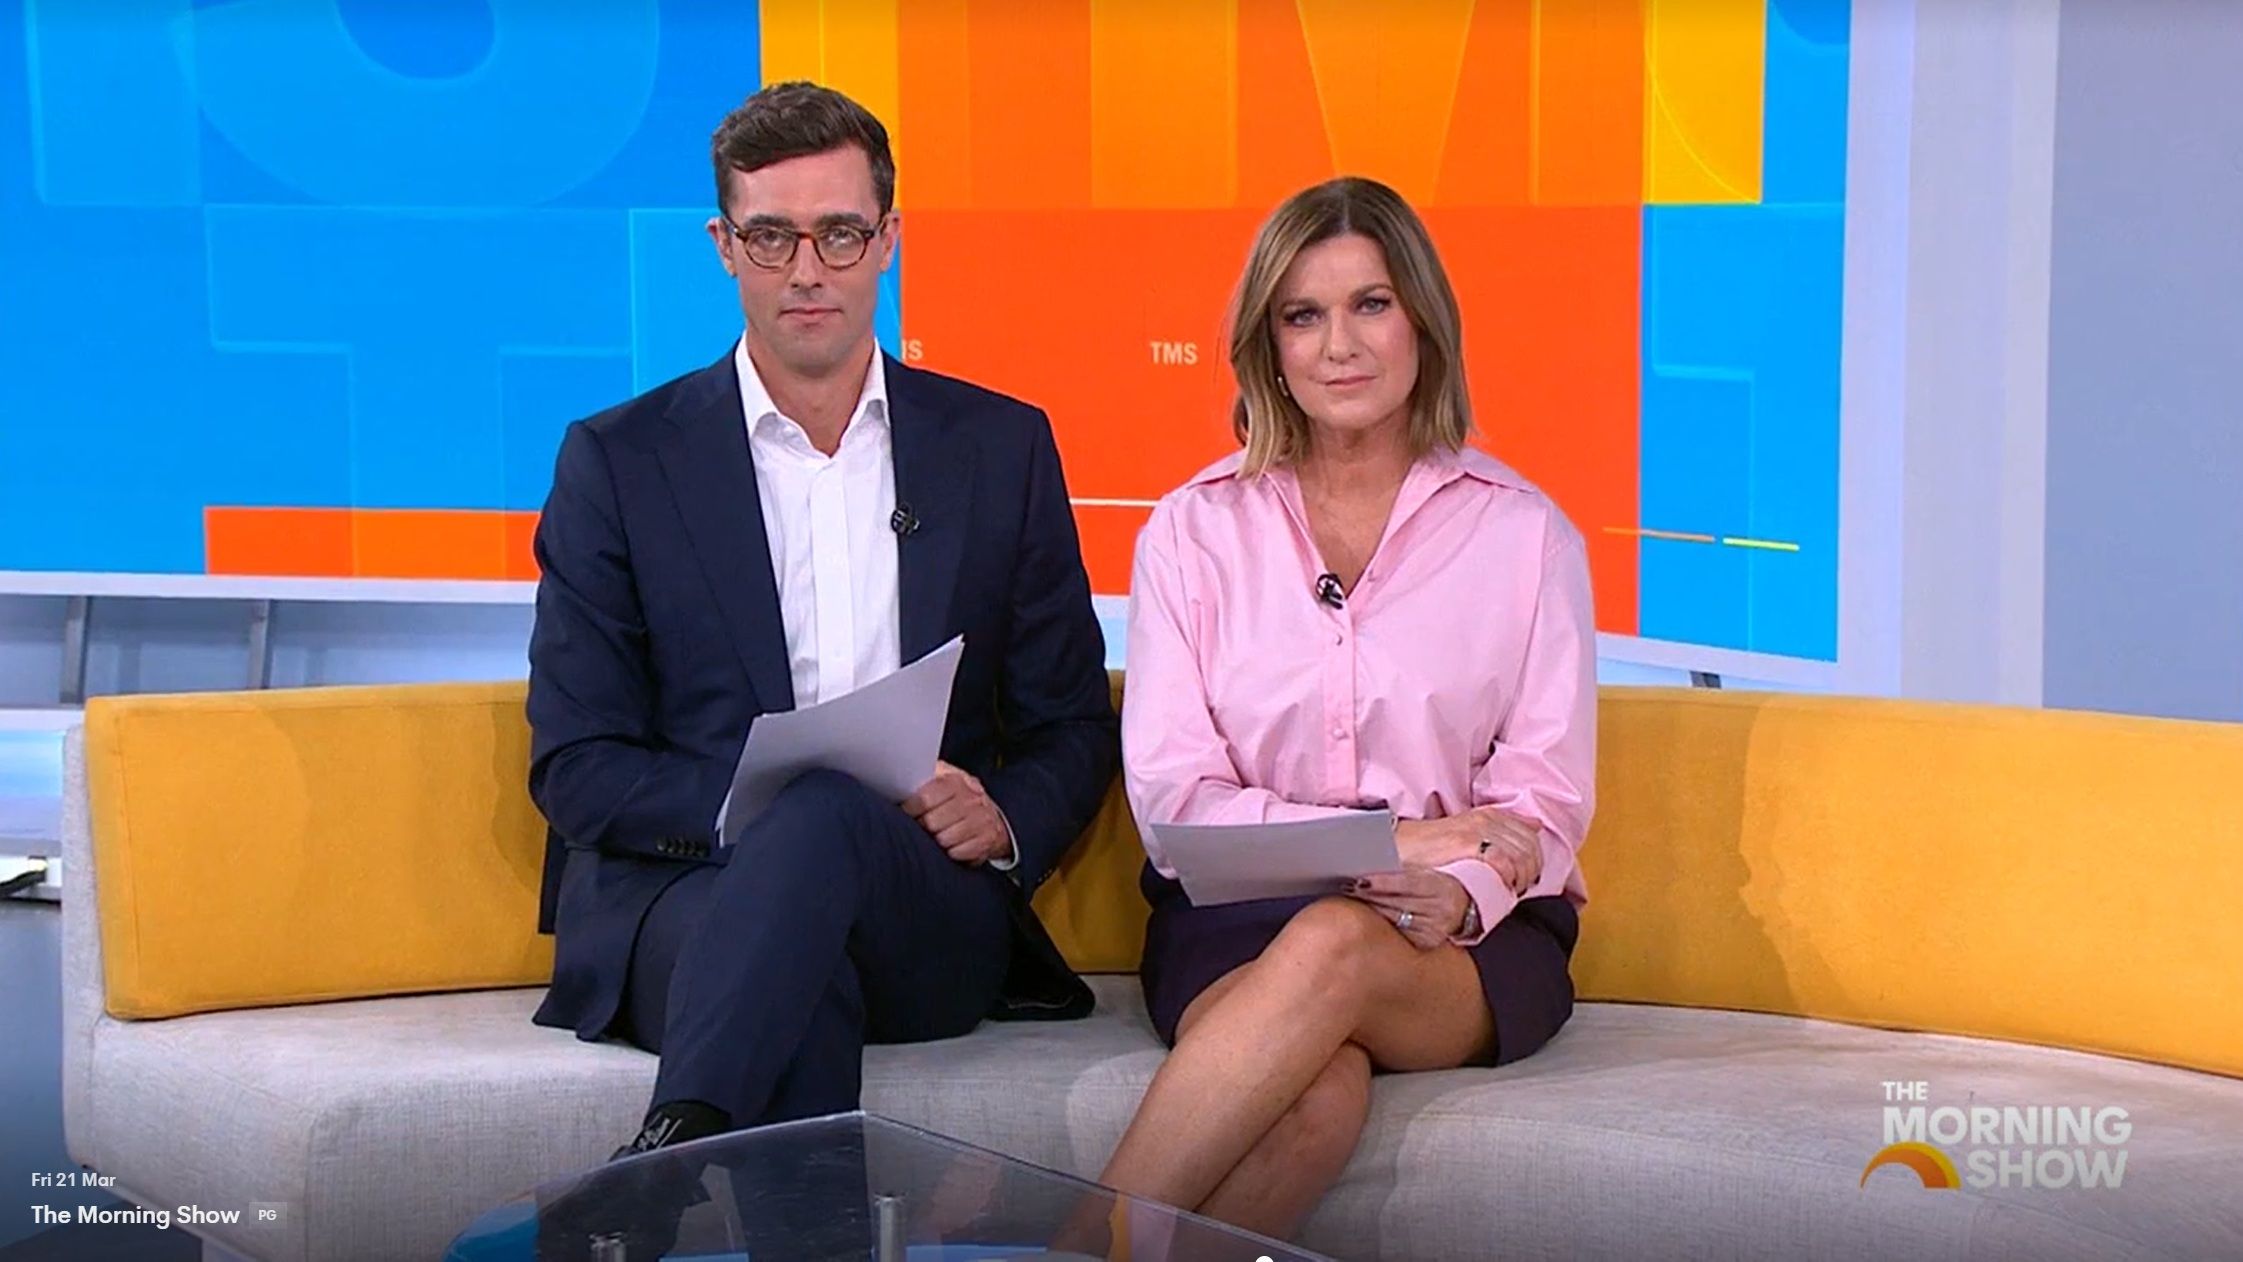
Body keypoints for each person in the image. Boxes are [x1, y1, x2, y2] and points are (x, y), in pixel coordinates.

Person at [525, 81, 1119, 1158]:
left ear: (887, 240)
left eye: (839, 233)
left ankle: (659, 1165)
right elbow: (576, 762)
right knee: (803, 947)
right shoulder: (619, 461)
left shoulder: (998, 448)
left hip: (921, 901)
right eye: (771, 237)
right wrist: (754, 807)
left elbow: (1071, 725)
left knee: (827, 823)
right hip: (689, 895)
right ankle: (725, 1178)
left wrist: (1002, 817)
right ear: (723, 246)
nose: (807, 270)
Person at [1098, 176, 1596, 1239]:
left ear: (1421, 319)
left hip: (1464, 935)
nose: (1339, 345)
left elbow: (1541, 805)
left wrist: (1460, 883)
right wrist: (1406, 836)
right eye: (1302, 314)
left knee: (1334, 940)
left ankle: (1063, 1244)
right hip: (1234, 920)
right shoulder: (1191, 533)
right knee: (1314, 1096)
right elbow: (1177, 806)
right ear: (1267, 345)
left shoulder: (1524, 537)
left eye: (1370, 304)